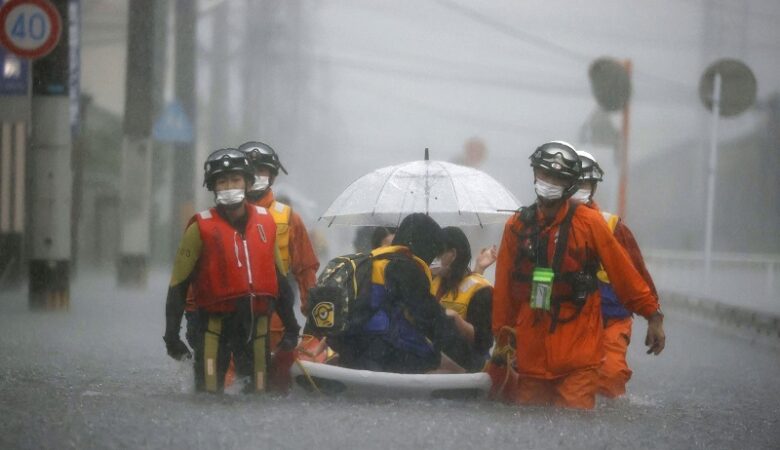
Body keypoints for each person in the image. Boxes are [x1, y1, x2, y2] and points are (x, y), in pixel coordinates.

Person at [492, 141, 665, 410]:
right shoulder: (517, 226)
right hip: (532, 351)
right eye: (544, 174)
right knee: (527, 423)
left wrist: (653, 315)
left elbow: (625, 274)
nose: (548, 182)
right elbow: (503, 288)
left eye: (557, 177)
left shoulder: (590, 223)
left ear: (569, 184)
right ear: (535, 175)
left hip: (578, 349)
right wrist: (502, 340)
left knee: (575, 424)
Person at [163, 148, 300, 393]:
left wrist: (291, 326)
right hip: (214, 327)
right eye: (222, 181)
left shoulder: (266, 223)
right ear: (213, 187)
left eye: (235, 179)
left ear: (247, 183)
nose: (229, 187)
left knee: (259, 395)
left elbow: (279, 279)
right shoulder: (200, 227)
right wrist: (171, 336)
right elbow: (178, 285)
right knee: (209, 393)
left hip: (257, 327)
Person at [572, 150, 660, 398]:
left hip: (612, 319)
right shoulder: (546, 224)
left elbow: (638, 275)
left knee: (610, 376)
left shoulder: (612, 226)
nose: (577, 188)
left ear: (593, 188)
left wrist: (653, 317)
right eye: (573, 182)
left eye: (583, 183)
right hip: (568, 321)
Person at [336, 213, 468, 373]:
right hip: (381, 349)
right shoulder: (406, 267)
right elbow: (430, 318)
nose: (432, 258)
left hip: (350, 344)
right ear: (426, 244)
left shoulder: (375, 259)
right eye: (433, 253)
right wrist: (465, 352)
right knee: (443, 363)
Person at [237, 141, 320, 349]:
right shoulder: (220, 218)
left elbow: (306, 269)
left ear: (272, 176)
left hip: (276, 322)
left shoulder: (288, 217)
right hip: (230, 319)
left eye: (261, 170)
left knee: (275, 379)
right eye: (250, 170)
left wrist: (312, 317)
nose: (255, 175)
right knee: (225, 379)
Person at [430, 227, 496, 372]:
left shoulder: (481, 290)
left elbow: (484, 342)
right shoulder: (432, 281)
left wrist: (456, 321)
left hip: (468, 361)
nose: (433, 258)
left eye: (438, 253)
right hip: (436, 357)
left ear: (453, 254)